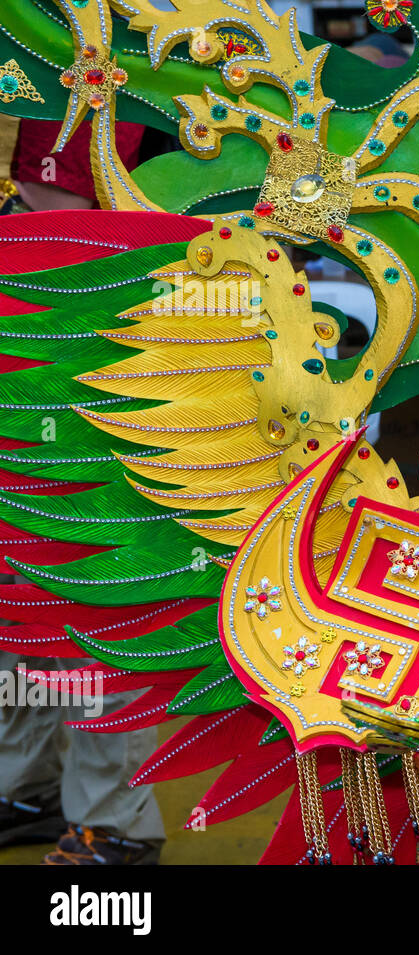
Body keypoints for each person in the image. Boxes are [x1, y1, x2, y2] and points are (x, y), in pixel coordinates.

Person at [0, 117, 165, 866]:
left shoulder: (116, 51)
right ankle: (28, 785)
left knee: (96, 610)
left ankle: (115, 819)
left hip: (95, 366)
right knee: (17, 610)